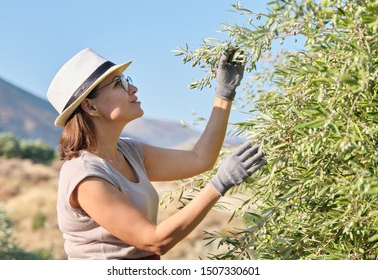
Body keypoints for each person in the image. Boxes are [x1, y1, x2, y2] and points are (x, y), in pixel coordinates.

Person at [47, 48, 266, 260]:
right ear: (90, 107)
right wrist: (219, 184)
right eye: (118, 84)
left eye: (126, 79)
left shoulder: (130, 151)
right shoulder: (86, 175)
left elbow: (200, 158)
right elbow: (154, 241)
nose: (132, 88)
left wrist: (224, 94)